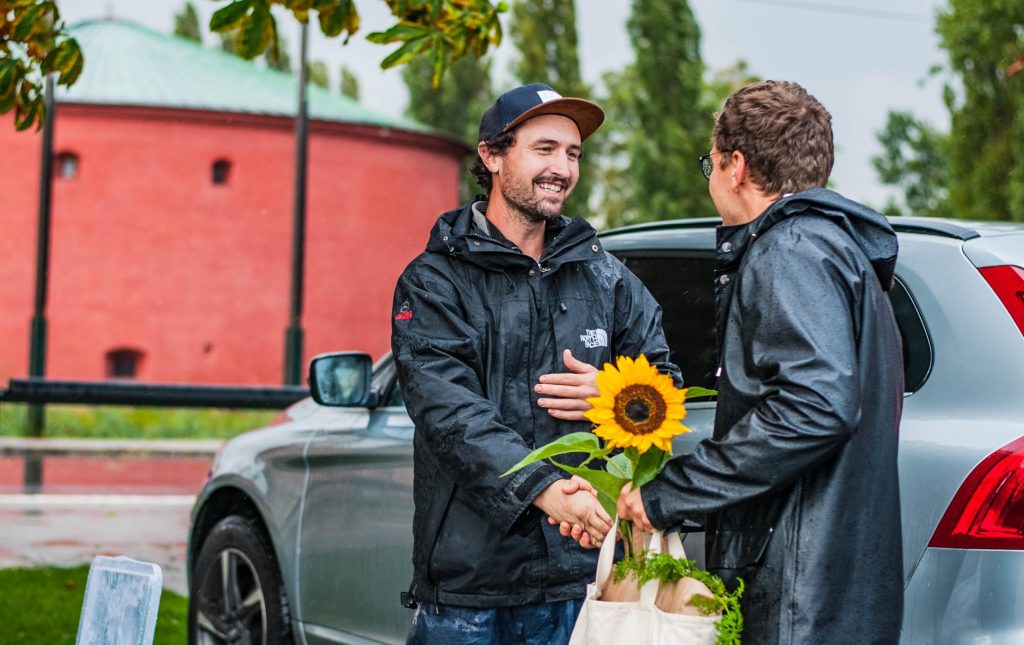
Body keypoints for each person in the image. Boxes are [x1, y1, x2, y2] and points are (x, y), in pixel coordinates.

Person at [611, 80, 905, 643]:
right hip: (828, 592)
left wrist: (669, 493)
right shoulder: (838, 253)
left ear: (736, 165)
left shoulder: (789, 251)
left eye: (711, 163)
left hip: (799, 599)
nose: (713, 178)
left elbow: (816, 407)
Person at [390, 83, 680, 644]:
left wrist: (621, 397)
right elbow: (449, 412)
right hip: (470, 594)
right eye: (544, 148)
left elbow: (666, 387)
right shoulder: (433, 282)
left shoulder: (607, 278)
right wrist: (541, 486)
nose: (562, 168)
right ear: (492, 155)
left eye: (572, 154)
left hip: (586, 581)